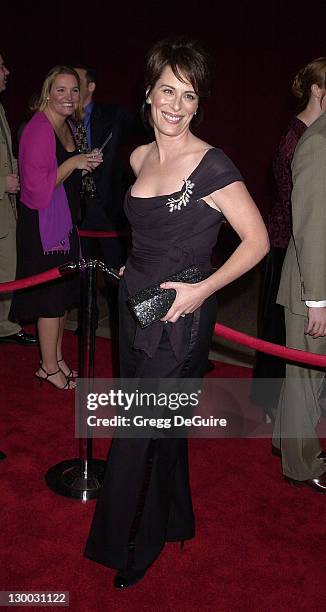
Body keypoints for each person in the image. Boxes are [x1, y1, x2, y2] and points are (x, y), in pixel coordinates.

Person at [85, 38, 269, 588]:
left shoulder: (213, 166)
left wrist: (203, 289)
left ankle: (133, 544)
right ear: (149, 93)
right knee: (160, 427)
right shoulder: (139, 156)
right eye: (168, 89)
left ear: (197, 104)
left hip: (180, 317)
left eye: (189, 95)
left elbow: (257, 241)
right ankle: (173, 518)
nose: (177, 104)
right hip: (133, 305)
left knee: (139, 429)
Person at [9, 66, 103, 389]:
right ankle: (47, 368)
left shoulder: (67, 125)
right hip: (42, 228)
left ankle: (57, 360)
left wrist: (84, 163)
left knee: (61, 297)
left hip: (62, 224)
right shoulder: (38, 129)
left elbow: (64, 177)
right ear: (48, 91)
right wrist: (73, 163)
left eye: (73, 91)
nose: (68, 97)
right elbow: (35, 191)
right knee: (50, 300)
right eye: (60, 90)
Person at [253, 57, 326, 422]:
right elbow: (298, 201)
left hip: (303, 242)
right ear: (317, 89)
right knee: (278, 326)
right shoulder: (298, 136)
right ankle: (270, 404)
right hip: (288, 241)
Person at [273, 93, 326, 491]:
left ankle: (285, 444)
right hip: (313, 284)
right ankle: (301, 465)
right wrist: (317, 299)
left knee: (307, 378)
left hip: (317, 281)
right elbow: (310, 227)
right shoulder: (319, 142)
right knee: (306, 377)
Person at [72, 64, 135, 370]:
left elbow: (145, 129)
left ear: (91, 86)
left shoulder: (114, 115)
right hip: (77, 213)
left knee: (114, 280)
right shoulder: (62, 120)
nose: (71, 86)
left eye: (77, 81)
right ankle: (86, 329)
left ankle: (121, 334)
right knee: (81, 278)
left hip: (109, 213)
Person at [0, 52, 37, 346]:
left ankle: (5, 326)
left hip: (5, 210)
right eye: (0, 66)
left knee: (7, 270)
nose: (7, 71)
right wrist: (3, 182)